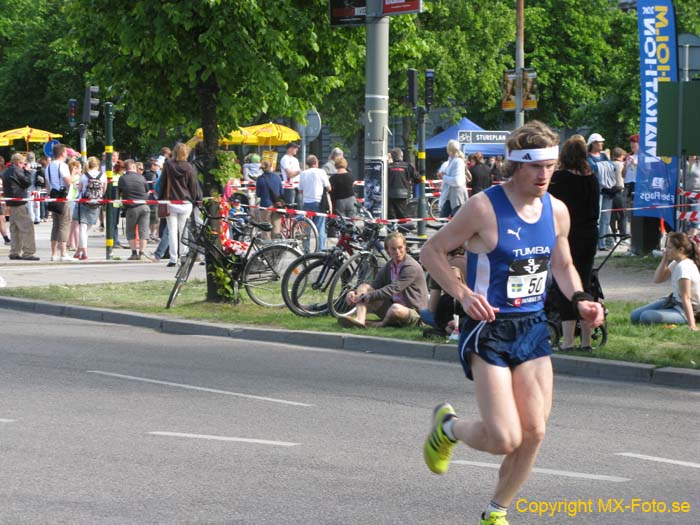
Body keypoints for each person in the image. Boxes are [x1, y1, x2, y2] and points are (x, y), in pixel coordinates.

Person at [419, 120, 604, 525]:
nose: (544, 175)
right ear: (515, 166)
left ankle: (496, 512)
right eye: (535, 166)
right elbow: (431, 251)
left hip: (533, 327)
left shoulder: (556, 210)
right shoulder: (484, 207)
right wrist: (463, 294)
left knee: (534, 432)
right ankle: (448, 428)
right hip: (490, 329)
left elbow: (563, 264)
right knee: (505, 437)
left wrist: (581, 299)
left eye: (550, 166)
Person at [547, 135, 600, 351]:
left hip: (566, 234)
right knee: (584, 282)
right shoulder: (592, 178)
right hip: (589, 234)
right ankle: (586, 340)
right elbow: (595, 210)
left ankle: (568, 340)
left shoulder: (558, 179)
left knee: (563, 285)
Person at [338, 232, 428, 329]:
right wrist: (354, 294)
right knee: (363, 287)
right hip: (393, 305)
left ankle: (381, 324)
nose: (397, 252)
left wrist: (367, 296)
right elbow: (374, 285)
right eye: (393, 249)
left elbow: (394, 288)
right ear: (388, 250)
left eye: (400, 247)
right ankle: (360, 320)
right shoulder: (389, 266)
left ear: (405, 247)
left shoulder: (411, 266)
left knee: (395, 309)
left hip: (414, 313)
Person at [630, 232, 700, 331]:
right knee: (634, 316)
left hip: (687, 310)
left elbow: (686, 298)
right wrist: (664, 260)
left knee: (645, 316)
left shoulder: (684, 268)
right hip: (675, 302)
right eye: (666, 247)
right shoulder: (677, 262)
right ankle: (668, 310)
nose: (665, 250)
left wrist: (692, 325)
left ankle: (688, 319)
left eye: (669, 248)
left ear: (680, 250)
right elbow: (657, 279)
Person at [157, 142, 199, 267]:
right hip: (186, 202)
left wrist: (160, 198)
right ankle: (183, 256)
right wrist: (194, 199)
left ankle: (173, 258)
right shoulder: (190, 167)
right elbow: (193, 185)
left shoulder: (168, 165)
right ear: (186, 153)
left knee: (172, 231)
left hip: (171, 201)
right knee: (184, 231)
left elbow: (163, 183)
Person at [2, 153, 38, 260]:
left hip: (11, 203)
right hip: (19, 202)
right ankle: (28, 252)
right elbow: (27, 182)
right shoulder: (16, 170)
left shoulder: (6, 171)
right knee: (27, 227)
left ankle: (14, 251)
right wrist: (27, 171)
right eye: (23, 163)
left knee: (15, 229)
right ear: (18, 162)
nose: (23, 165)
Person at [587, 133, 617, 251]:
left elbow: (613, 167)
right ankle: (596, 242)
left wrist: (602, 166)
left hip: (607, 189)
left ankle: (603, 242)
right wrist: (606, 165)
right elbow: (593, 167)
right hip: (596, 190)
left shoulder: (604, 156)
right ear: (593, 143)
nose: (602, 144)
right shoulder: (588, 156)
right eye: (599, 142)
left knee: (606, 218)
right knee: (598, 218)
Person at [46, 143, 75, 262]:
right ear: (63, 153)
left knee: (55, 225)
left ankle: (54, 254)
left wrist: (51, 194)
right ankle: (63, 253)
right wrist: (74, 174)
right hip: (63, 197)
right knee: (64, 224)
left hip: (53, 197)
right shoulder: (62, 166)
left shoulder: (48, 166)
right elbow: (68, 182)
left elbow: (47, 185)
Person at [74, 156, 106, 261]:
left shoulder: (83, 176)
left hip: (84, 203)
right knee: (87, 230)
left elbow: (79, 190)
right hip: (96, 204)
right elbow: (104, 190)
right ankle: (80, 251)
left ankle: (84, 252)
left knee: (82, 229)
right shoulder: (103, 176)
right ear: (97, 165)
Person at [119, 159, 151, 260]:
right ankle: (141, 253)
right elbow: (147, 190)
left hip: (132, 208)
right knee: (144, 231)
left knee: (130, 231)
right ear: (133, 167)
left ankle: (134, 254)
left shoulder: (122, 179)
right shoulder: (142, 177)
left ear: (126, 168)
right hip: (145, 206)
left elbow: (119, 191)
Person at [298, 154, 331, 251]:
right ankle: (320, 250)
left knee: (306, 228)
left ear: (307, 164)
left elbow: (300, 190)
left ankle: (306, 250)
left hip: (307, 203)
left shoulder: (303, 173)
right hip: (319, 202)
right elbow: (329, 188)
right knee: (320, 228)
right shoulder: (321, 172)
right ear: (316, 163)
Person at [255, 159, 284, 239]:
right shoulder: (278, 177)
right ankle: (277, 246)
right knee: (276, 227)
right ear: (271, 166)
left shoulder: (260, 179)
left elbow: (258, 194)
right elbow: (281, 192)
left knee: (266, 228)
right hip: (277, 205)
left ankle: (267, 247)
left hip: (265, 205)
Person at [440, 140, 469, 218]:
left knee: (451, 222)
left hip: (457, 197)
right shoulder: (452, 161)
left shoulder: (458, 161)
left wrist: (444, 176)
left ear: (449, 150)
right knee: (443, 220)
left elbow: (457, 181)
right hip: (450, 196)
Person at [387, 148, 418, 220]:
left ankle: (393, 230)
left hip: (390, 194)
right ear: (401, 156)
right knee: (402, 216)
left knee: (391, 217)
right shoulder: (407, 166)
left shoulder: (388, 167)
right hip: (403, 194)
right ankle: (402, 230)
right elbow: (418, 178)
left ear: (392, 157)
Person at [610, 147, 628, 239]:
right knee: (623, 214)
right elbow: (624, 175)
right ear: (621, 156)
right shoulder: (620, 165)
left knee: (612, 215)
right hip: (619, 190)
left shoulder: (610, 164)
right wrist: (626, 165)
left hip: (611, 191)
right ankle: (623, 235)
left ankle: (613, 236)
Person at [685, 156, 700, 238]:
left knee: (694, 220)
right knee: (686, 220)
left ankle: (692, 242)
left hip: (697, 194)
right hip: (685, 194)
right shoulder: (684, 162)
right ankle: (689, 241)